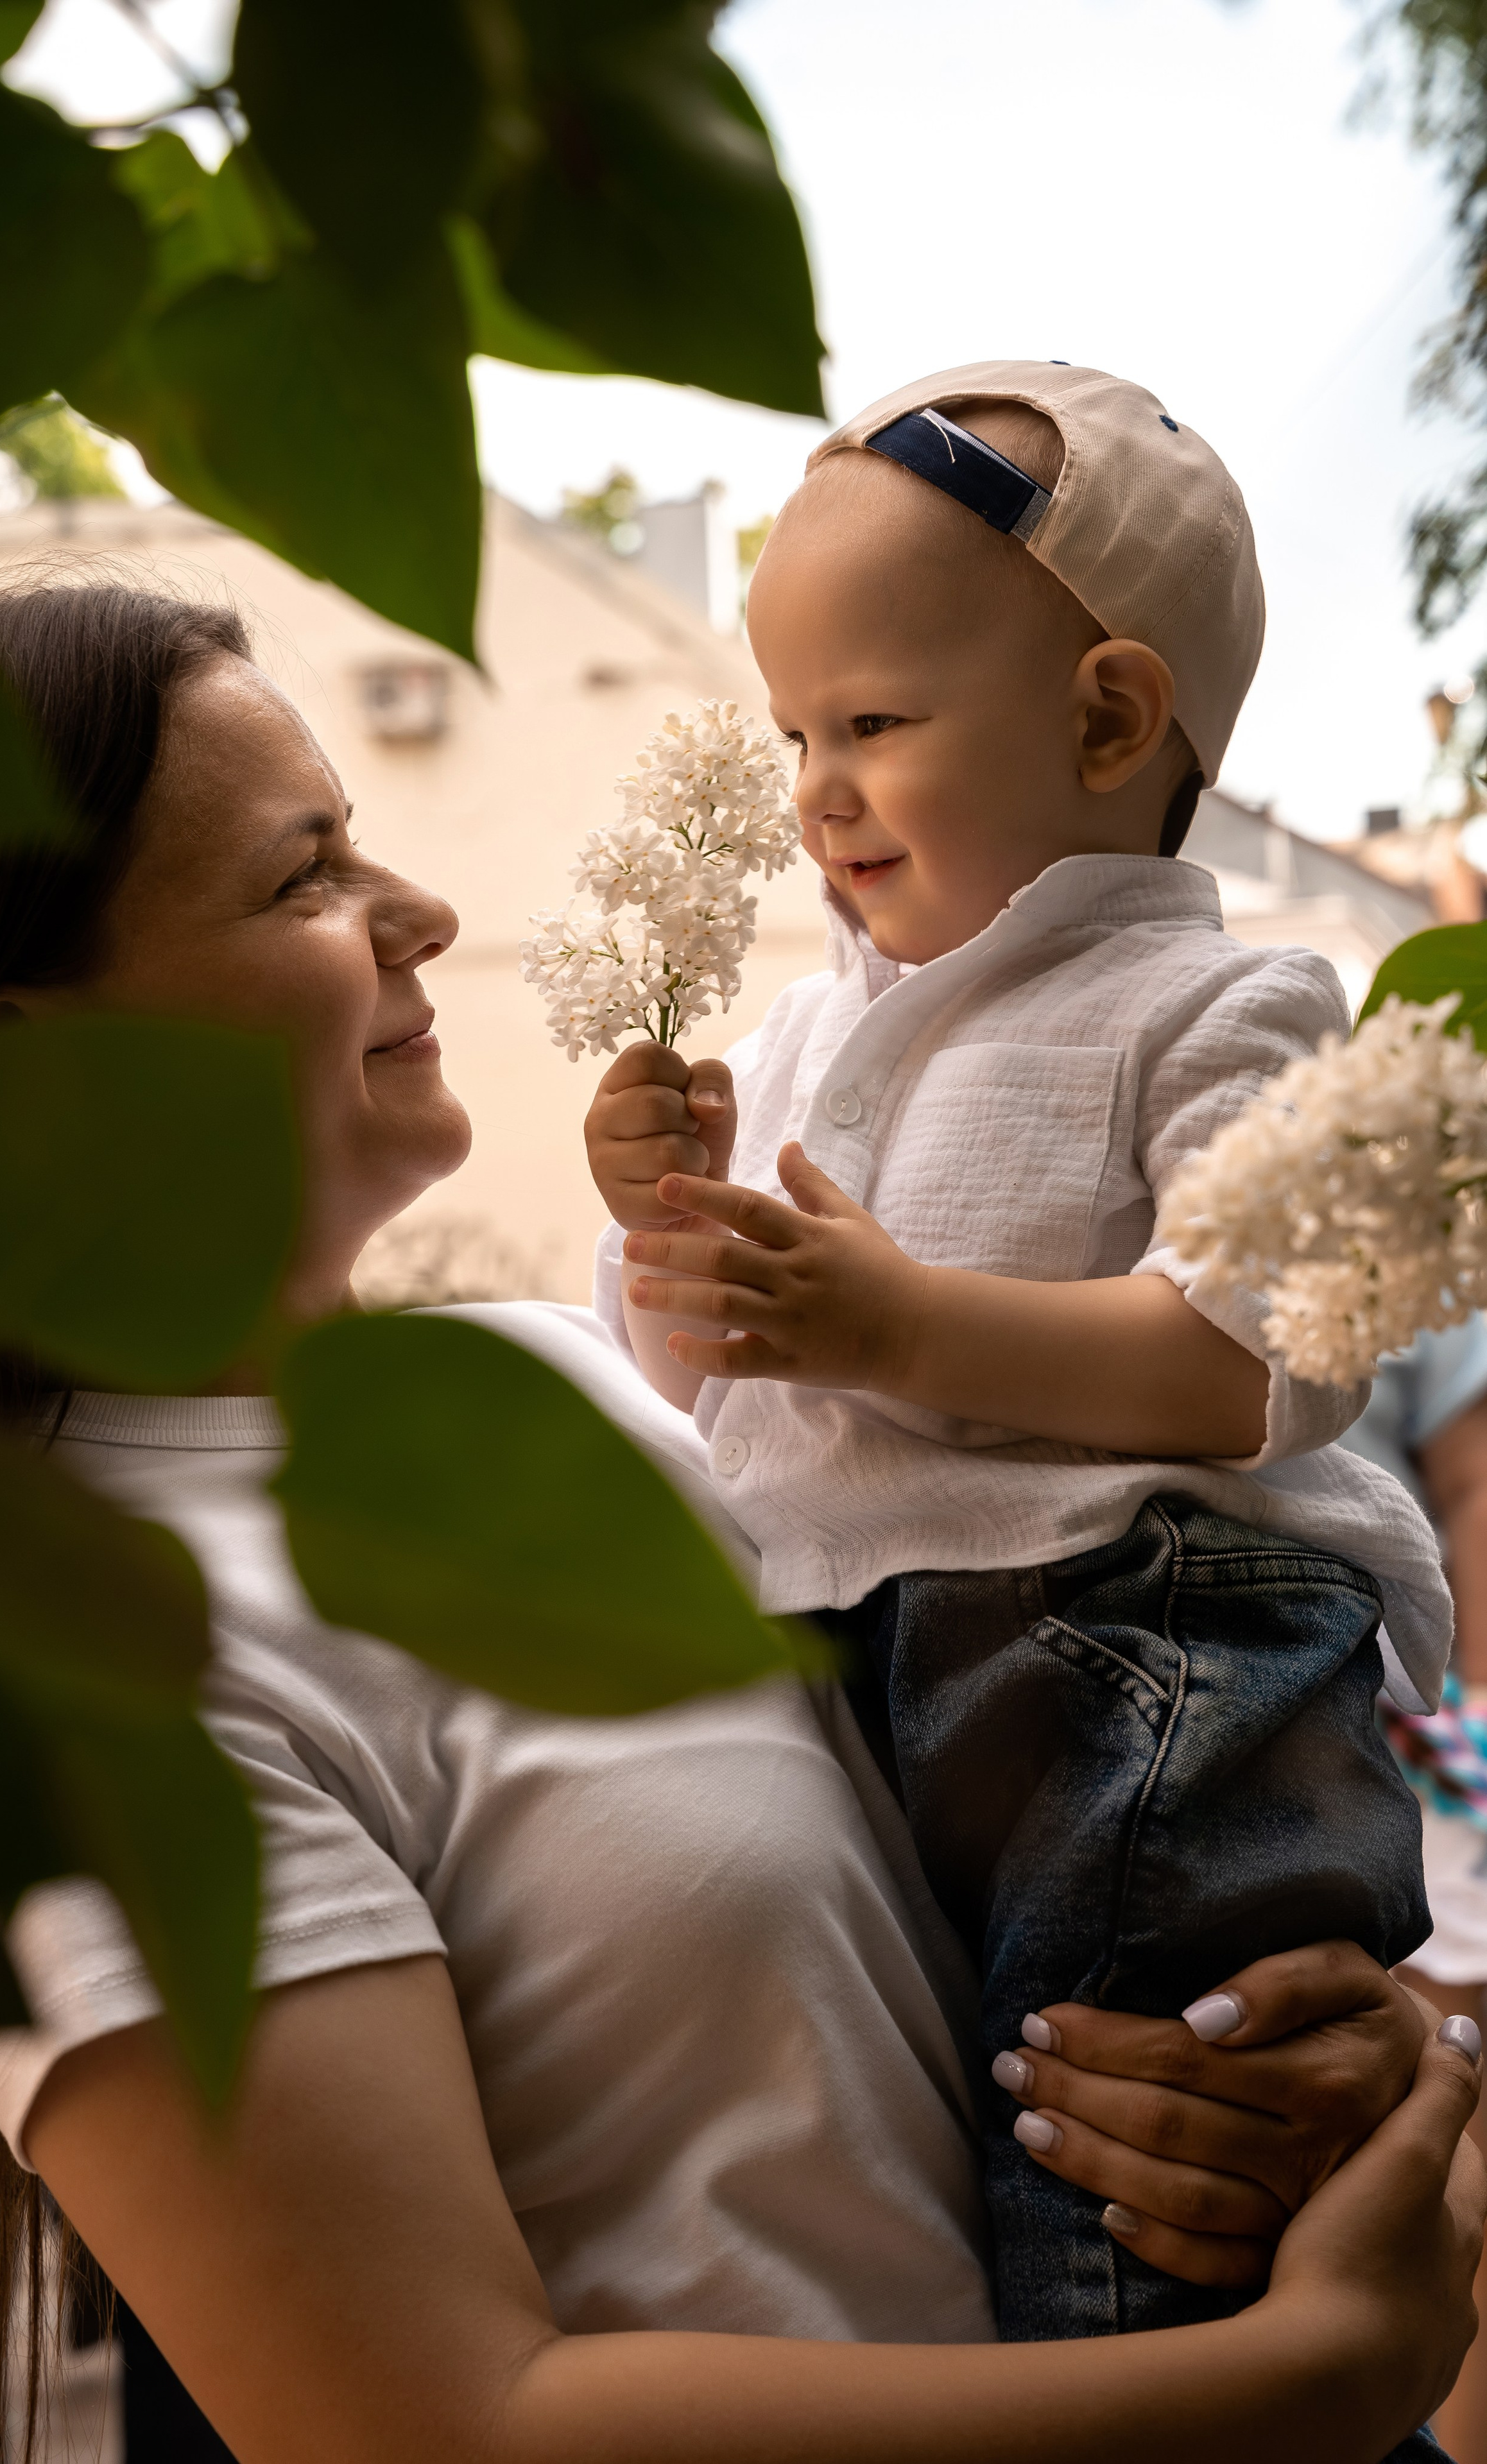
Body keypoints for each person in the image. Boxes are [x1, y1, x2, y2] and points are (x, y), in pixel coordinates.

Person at [0, 578, 1480, 2464]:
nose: (426, 914)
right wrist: (1290, 2385)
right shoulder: (60, 1675)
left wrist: (1297, 2045)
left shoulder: (573, 1382)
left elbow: (1011, 1865)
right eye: (304, 880)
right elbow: (432, 2428)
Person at [582, 363, 1452, 2385]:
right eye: (797, 731)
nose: (815, 787)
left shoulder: (1224, 1000)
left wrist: (897, 1323)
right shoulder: (807, 1035)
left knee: (1123, 2133)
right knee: (965, 2112)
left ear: (1110, 716)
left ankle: (1179, 2401)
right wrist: (673, 1232)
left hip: (1139, 1637)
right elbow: (729, 1397)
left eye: (873, 725)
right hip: (877, 1635)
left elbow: (1261, 1365)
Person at [1343, 1321, 1487, 2460]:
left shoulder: (1411, 1227)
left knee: (1446, 2111)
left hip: (1426, 1741)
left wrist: (1470, 1716)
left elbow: (1477, 1476)